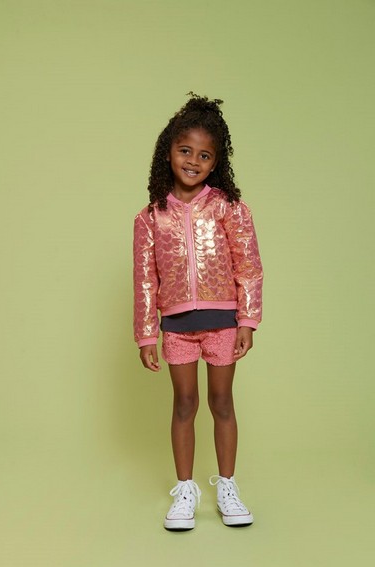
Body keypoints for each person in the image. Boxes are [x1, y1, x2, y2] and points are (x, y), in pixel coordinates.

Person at [133, 93, 263, 531]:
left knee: (221, 402)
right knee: (185, 402)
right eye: (185, 151)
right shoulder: (150, 217)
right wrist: (146, 334)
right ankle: (185, 490)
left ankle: (227, 487)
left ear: (215, 162)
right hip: (177, 326)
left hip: (222, 322)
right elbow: (145, 280)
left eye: (204, 155)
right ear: (167, 152)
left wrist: (248, 320)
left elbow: (249, 265)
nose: (192, 161)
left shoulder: (229, 207)